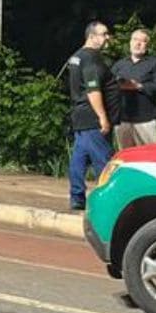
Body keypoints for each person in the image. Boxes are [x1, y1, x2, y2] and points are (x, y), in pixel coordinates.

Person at [65, 21, 114, 211]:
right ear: (92, 37)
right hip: (92, 116)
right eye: (104, 34)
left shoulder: (77, 56)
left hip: (80, 115)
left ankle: (77, 196)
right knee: (104, 161)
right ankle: (108, 201)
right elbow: (93, 89)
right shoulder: (91, 58)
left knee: (79, 158)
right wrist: (102, 116)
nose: (108, 38)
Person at [110, 28, 156, 148]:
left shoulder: (154, 63)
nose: (138, 43)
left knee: (149, 156)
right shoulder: (120, 64)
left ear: (147, 45)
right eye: (135, 39)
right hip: (123, 120)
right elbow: (109, 85)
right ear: (130, 42)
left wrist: (138, 86)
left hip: (146, 121)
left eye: (142, 41)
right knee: (126, 155)